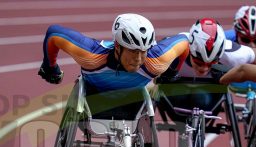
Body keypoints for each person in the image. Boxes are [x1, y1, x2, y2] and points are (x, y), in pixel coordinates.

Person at [154, 18, 256, 147]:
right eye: (198, 62)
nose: (204, 69)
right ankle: (185, 129)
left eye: (210, 64)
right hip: (174, 98)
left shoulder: (231, 54)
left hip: (207, 99)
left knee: (200, 97)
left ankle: (193, 129)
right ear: (190, 50)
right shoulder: (173, 47)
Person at [38, 13, 189, 119]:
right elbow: (54, 34)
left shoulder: (157, 61)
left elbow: (184, 42)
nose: (138, 59)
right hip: (93, 96)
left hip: (133, 100)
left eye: (143, 52)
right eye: (133, 51)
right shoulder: (92, 56)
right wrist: (50, 67)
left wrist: (171, 71)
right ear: (117, 46)